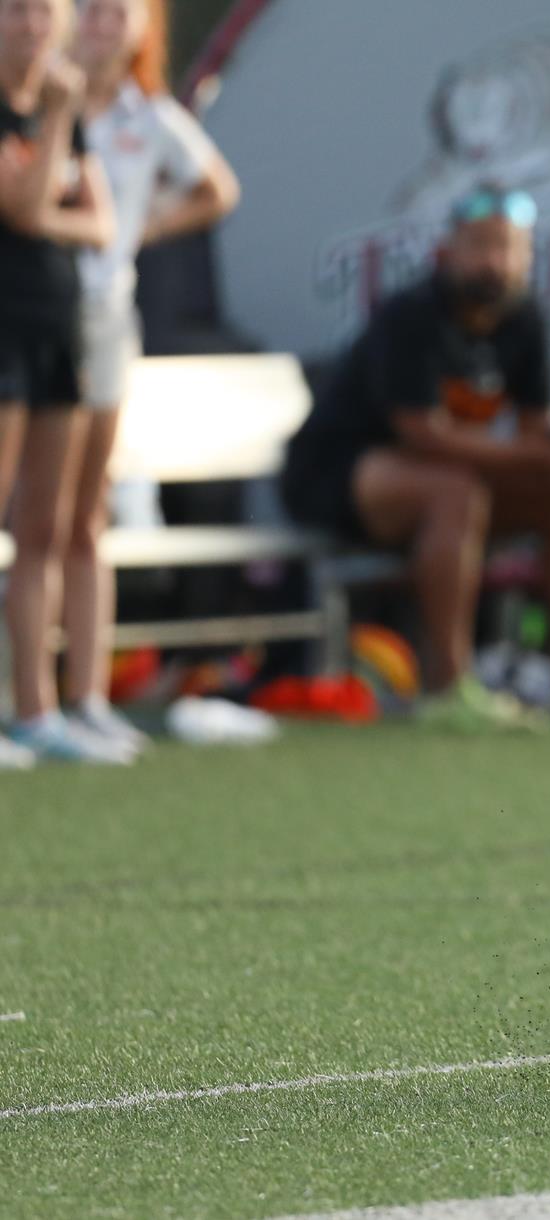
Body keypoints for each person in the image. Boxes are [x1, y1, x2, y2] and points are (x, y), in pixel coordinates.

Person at [278, 185, 550, 732]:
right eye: (479, 246)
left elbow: (535, 430)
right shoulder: (409, 315)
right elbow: (419, 434)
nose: (493, 262)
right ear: (447, 251)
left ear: (526, 258)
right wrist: (544, 455)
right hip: (337, 478)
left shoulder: (526, 321)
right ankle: (448, 691)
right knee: (453, 490)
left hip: (443, 488)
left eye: (509, 248)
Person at [60, 0, 238, 754]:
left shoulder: (149, 114)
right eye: (90, 9)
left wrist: (136, 230)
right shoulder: (34, 99)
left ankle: (76, 698)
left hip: (101, 326)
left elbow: (216, 190)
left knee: (79, 520)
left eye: (118, 12)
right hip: (25, 320)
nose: (102, 23)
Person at [0, 0, 116, 767]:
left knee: (44, 530)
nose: (34, 28)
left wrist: (51, 216)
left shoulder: (60, 114)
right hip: (3, 331)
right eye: (16, 13)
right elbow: (24, 204)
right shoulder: (43, 109)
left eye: (44, 13)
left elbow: (100, 223)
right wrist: (59, 115)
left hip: (57, 331)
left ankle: (39, 711)